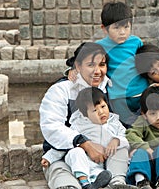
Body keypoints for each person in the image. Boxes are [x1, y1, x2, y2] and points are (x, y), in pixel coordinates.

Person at [39, 42, 113, 189]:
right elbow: (51, 125)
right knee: (61, 173)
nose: (97, 71)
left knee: (116, 166)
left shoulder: (109, 89)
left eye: (102, 65)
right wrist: (83, 143)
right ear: (78, 66)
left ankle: (117, 183)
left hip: (101, 154)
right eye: (91, 65)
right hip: (65, 153)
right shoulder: (61, 90)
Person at [41, 87, 133, 189]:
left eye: (103, 106)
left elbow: (127, 137)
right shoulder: (80, 125)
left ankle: (116, 183)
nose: (101, 112)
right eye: (95, 110)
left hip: (104, 163)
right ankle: (85, 183)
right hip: (84, 162)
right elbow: (67, 142)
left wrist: (117, 140)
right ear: (85, 114)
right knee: (76, 151)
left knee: (121, 150)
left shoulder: (114, 123)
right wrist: (50, 157)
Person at [95, 1, 149, 127]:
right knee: (126, 127)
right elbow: (85, 62)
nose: (122, 32)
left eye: (126, 27)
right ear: (104, 28)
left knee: (146, 125)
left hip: (141, 92)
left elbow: (146, 64)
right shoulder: (99, 46)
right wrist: (72, 71)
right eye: (116, 28)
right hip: (117, 97)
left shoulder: (136, 42)